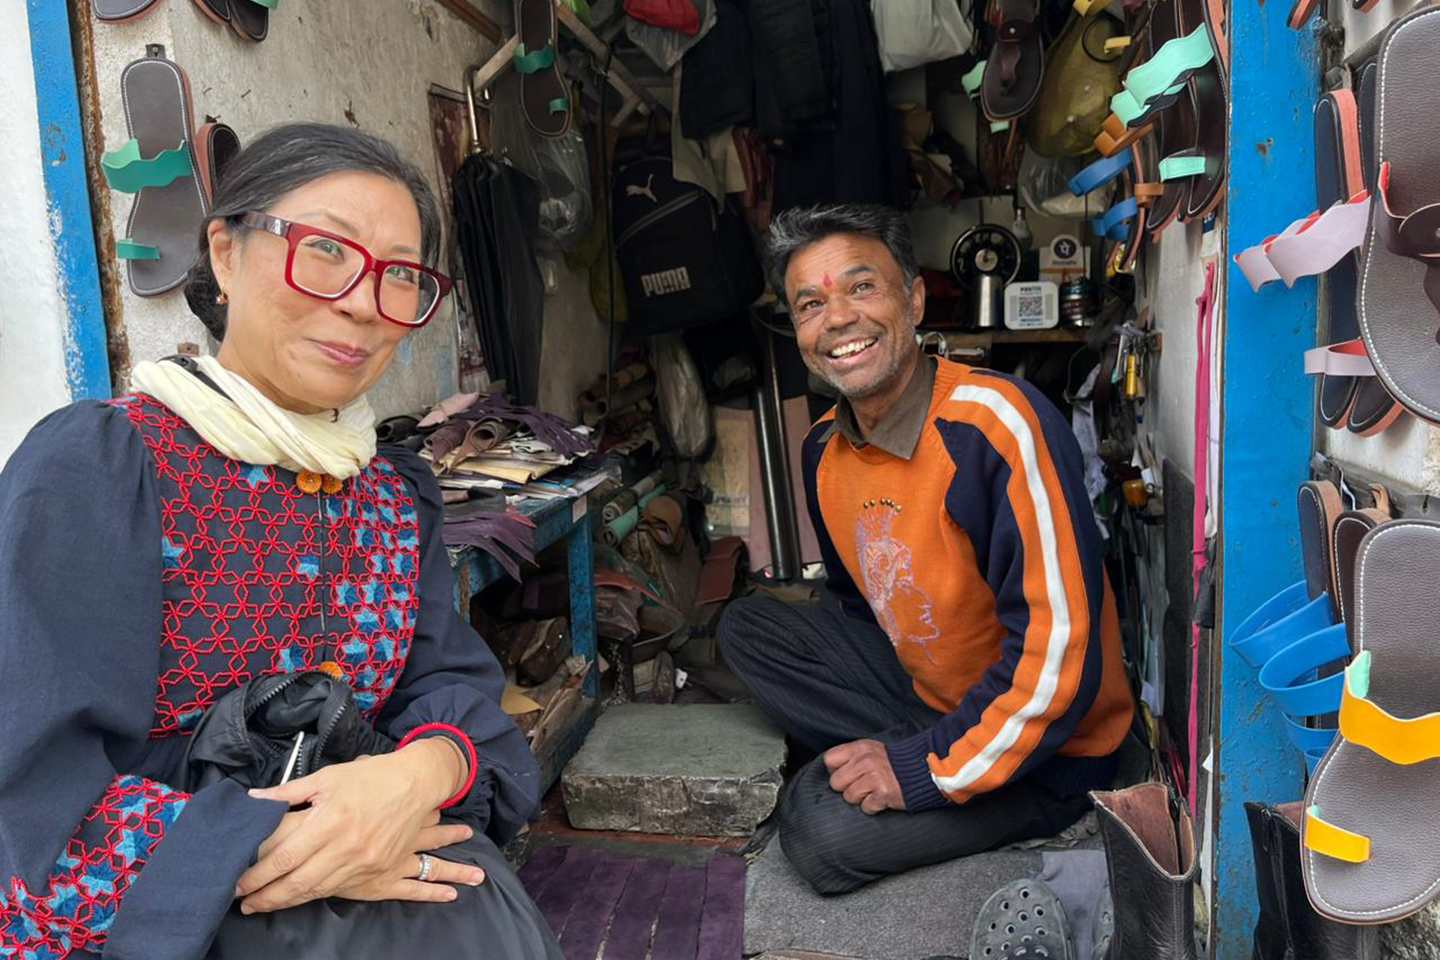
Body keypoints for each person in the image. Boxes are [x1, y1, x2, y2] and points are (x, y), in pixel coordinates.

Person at [0, 123, 561, 958]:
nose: (364, 304)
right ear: (225, 254)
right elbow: (31, 785)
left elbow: (446, 685)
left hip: (386, 858)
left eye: (400, 276)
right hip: (174, 908)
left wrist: (421, 772)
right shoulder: (105, 465)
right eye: (326, 250)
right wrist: (297, 847)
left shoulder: (392, 493)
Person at [719, 203, 1135, 895]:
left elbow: (1062, 656)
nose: (839, 320)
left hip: (1053, 747)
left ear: (912, 300)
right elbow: (858, 607)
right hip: (933, 696)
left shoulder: (997, 426)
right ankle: (922, 749)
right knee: (746, 625)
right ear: (797, 331)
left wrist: (916, 772)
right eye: (811, 304)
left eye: (861, 288)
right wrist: (917, 744)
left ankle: (941, 767)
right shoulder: (824, 448)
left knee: (820, 835)